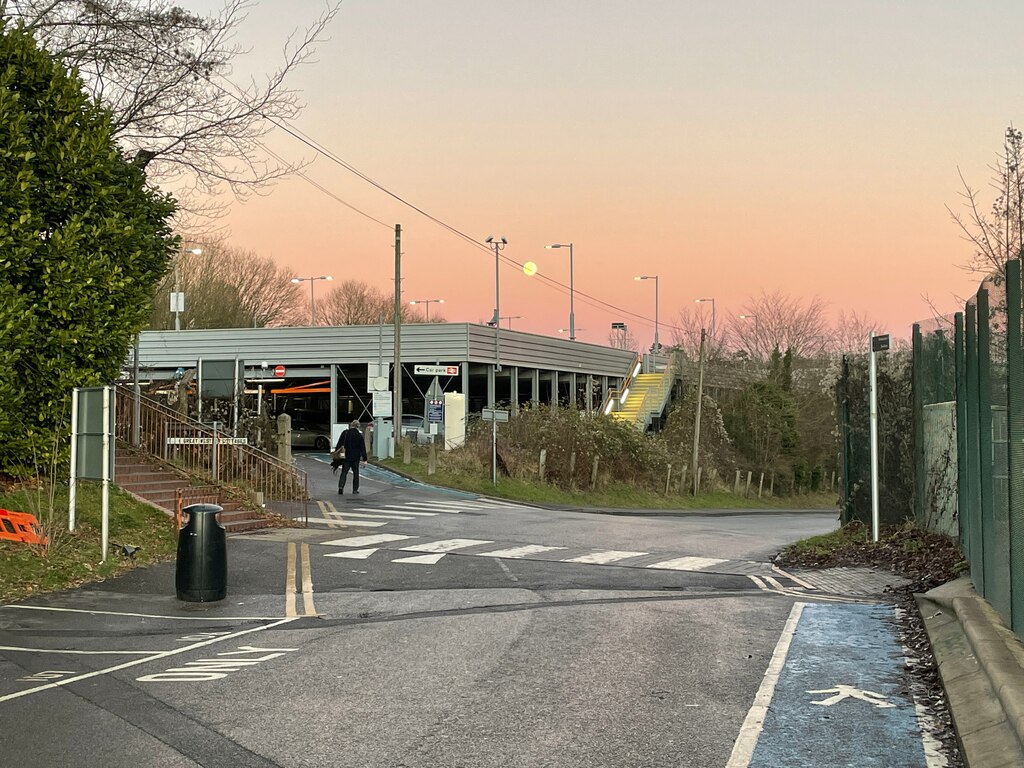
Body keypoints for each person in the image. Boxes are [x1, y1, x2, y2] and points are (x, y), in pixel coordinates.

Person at [334, 420, 367, 495]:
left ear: (351, 425)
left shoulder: (345, 433)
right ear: (358, 426)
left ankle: (341, 487)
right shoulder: (359, 436)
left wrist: (337, 454)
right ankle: (355, 490)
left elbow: (339, 444)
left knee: (344, 472)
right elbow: (363, 448)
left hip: (347, 456)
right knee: (356, 473)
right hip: (355, 457)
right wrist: (365, 459)